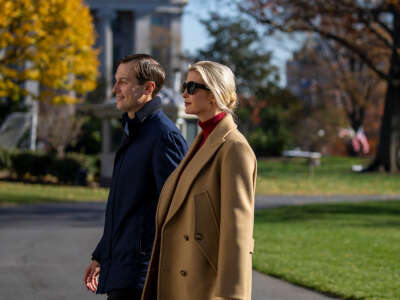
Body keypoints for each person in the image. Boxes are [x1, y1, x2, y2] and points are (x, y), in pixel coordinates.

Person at [141, 61, 257, 300]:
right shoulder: (201, 140)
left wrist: (232, 295)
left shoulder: (234, 148)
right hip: (179, 276)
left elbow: (237, 231)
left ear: (215, 94)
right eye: (185, 85)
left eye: (192, 87)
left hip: (203, 287)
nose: (184, 93)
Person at [83, 54, 188, 300]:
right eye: (116, 81)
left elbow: (178, 211)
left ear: (148, 88)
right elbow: (125, 209)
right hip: (121, 267)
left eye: (123, 82)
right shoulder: (133, 133)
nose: (115, 89)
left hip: (142, 275)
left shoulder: (163, 138)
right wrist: (101, 255)